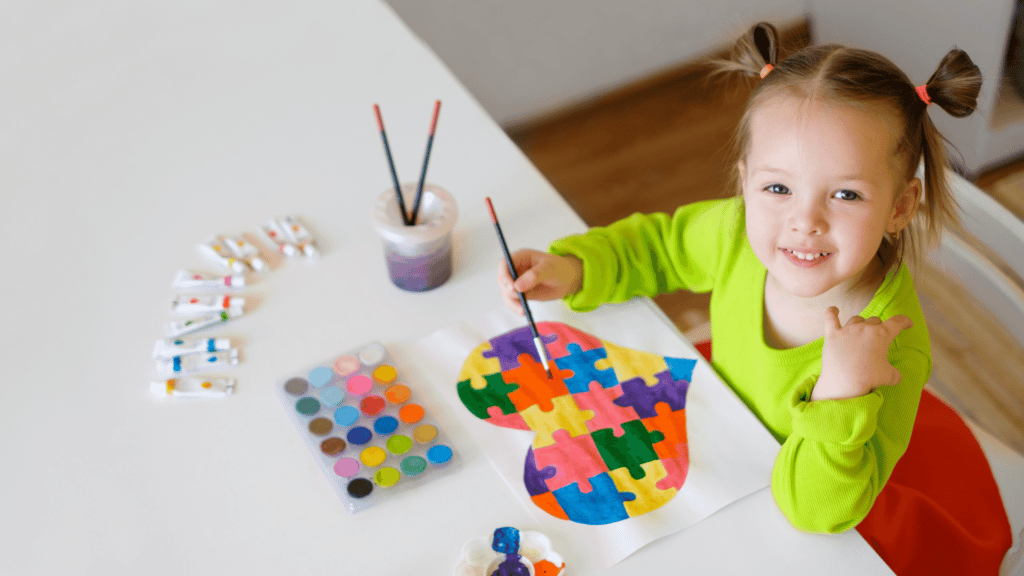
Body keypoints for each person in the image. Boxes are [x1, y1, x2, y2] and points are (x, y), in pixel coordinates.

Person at [497, 22, 1010, 575]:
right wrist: (576, 267)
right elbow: (660, 246)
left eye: (845, 194)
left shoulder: (889, 346)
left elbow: (814, 511)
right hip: (726, 433)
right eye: (778, 188)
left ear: (901, 207)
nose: (804, 222)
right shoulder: (738, 232)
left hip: (835, 495)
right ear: (744, 184)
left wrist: (840, 395)